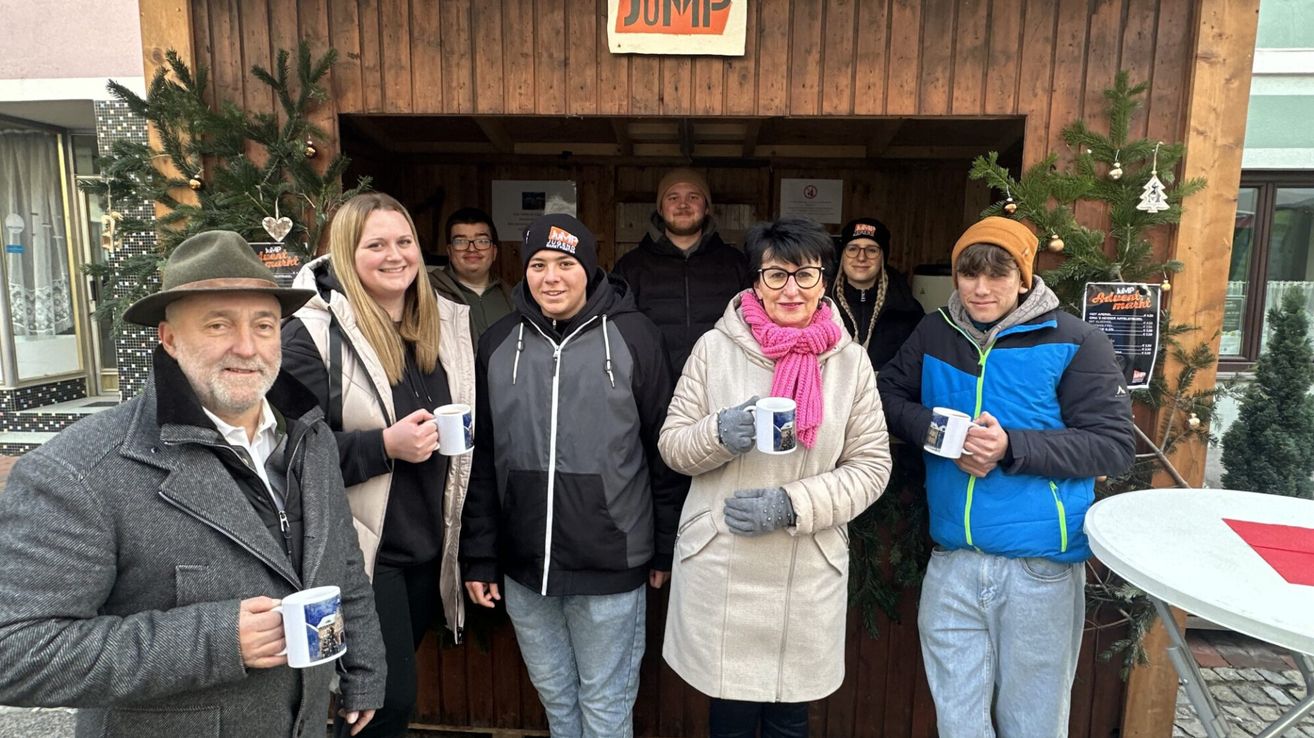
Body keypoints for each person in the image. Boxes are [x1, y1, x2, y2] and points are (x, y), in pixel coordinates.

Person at [0, 231, 386, 737]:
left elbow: (342, 563)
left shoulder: (309, 436)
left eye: (264, 325)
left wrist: (364, 669)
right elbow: (17, 652)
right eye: (218, 325)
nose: (246, 347)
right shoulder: (79, 471)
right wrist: (218, 640)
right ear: (169, 339)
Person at [877, 216, 1135, 737]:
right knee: (958, 724)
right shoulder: (935, 332)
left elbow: (1113, 446)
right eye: (969, 274)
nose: (980, 288)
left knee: (1032, 725)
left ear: (1023, 278)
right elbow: (884, 397)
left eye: (997, 275)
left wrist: (1010, 446)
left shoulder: (1077, 340)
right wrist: (944, 437)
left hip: (1039, 570)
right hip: (953, 561)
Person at [659, 216, 892, 738]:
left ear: (824, 280)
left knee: (790, 715)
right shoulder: (714, 349)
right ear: (756, 282)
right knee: (730, 713)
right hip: (724, 562)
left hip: (804, 566)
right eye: (776, 275)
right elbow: (672, 445)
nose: (791, 289)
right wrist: (720, 432)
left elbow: (872, 466)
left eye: (805, 275)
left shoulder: (851, 363)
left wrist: (792, 505)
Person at [460, 213, 688, 738]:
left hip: (610, 563)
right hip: (524, 569)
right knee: (558, 703)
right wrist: (480, 555)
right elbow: (483, 459)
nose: (551, 277)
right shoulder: (498, 341)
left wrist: (664, 548)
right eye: (538, 264)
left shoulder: (634, 335)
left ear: (588, 267)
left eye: (565, 264)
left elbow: (664, 451)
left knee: (606, 710)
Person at [281, 193, 475, 738]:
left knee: (375, 705)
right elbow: (285, 456)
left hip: (428, 547)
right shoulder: (310, 334)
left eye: (404, 241)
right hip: (365, 555)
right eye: (376, 245)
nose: (395, 256)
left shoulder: (443, 324)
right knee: (383, 701)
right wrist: (382, 446)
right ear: (347, 252)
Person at [613, 168, 750, 373]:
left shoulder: (736, 264)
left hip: (720, 380)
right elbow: (616, 331)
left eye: (693, 197)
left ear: (707, 207)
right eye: (673, 197)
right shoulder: (630, 267)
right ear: (661, 208)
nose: (683, 205)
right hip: (653, 382)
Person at [830, 217, 924, 371]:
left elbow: (915, 367)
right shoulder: (821, 304)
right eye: (852, 249)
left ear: (883, 257)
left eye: (871, 250)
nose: (861, 257)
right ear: (842, 255)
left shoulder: (907, 310)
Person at [428, 206, 514, 343]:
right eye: (461, 241)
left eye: (482, 241)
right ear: (449, 251)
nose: (472, 249)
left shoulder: (512, 298)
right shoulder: (428, 294)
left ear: (494, 252)